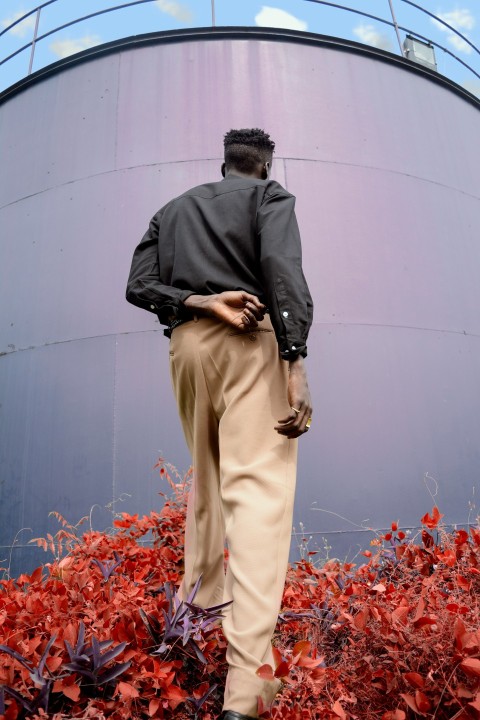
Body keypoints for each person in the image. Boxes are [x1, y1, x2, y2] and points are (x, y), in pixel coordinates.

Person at [126, 128, 313, 720]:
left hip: (187, 350)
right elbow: (282, 269)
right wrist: (295, 360)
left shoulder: (172, 209)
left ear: (223, 163)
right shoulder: (270, 198)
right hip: (247, 338)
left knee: (206, 485)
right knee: (257, 496)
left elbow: (138, 286)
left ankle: (192, 633)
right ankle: (246, 693)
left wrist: (200, 302)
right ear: (264, 165)